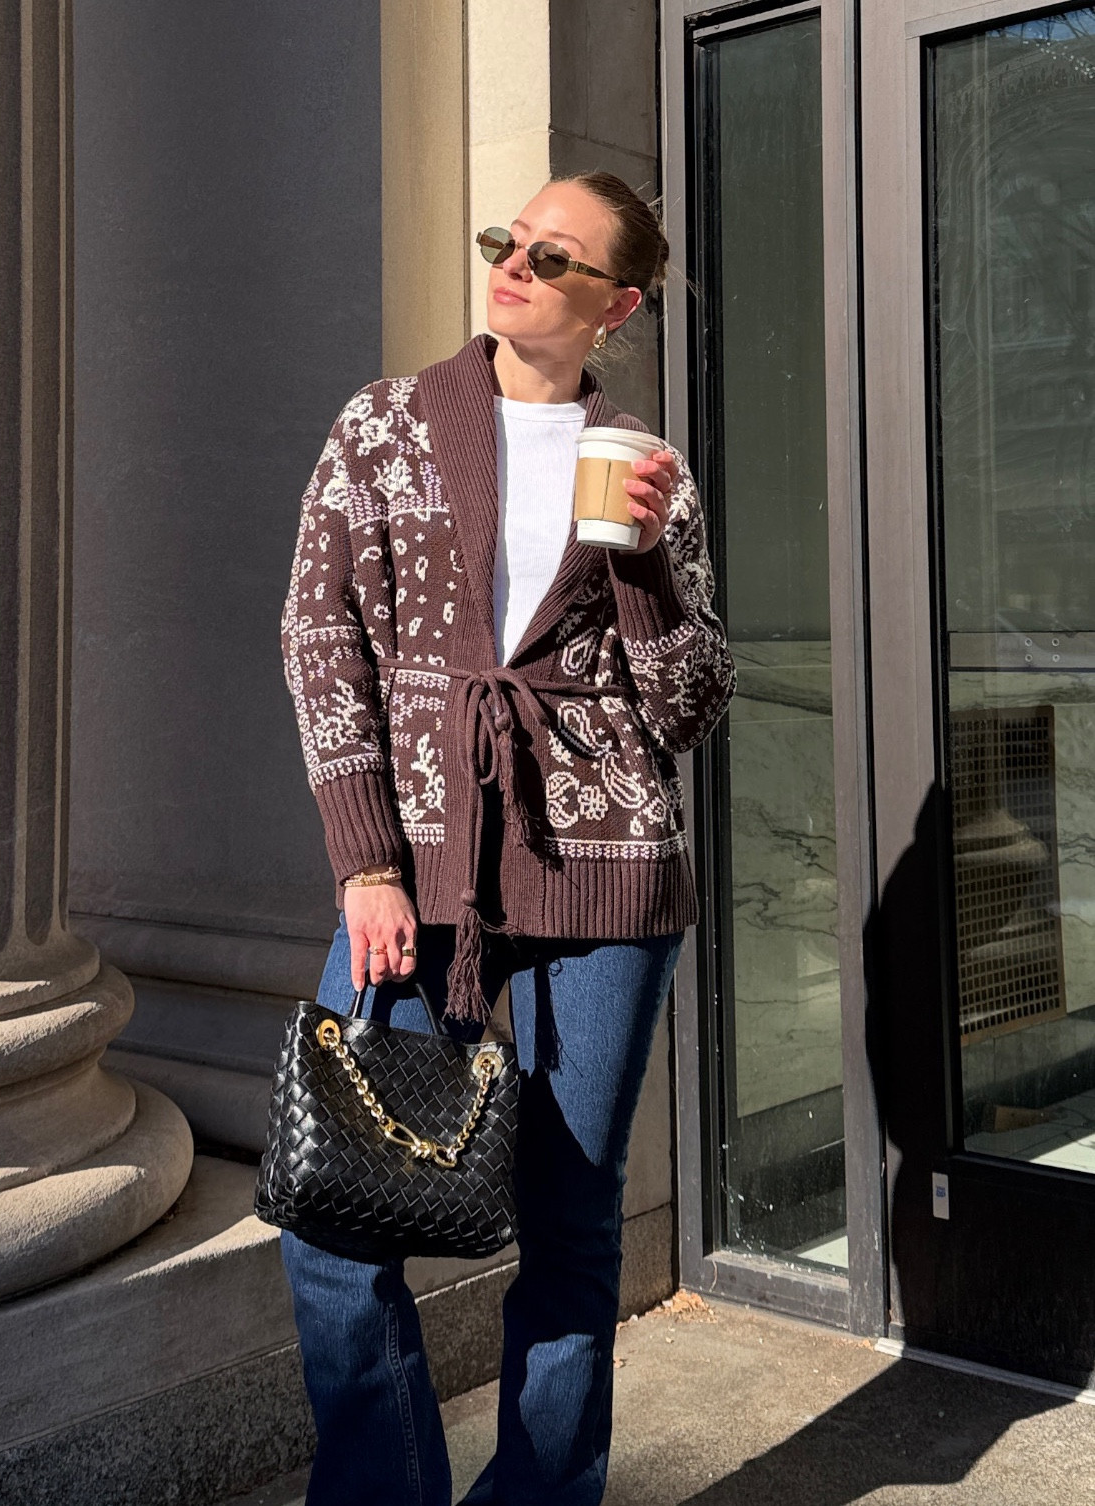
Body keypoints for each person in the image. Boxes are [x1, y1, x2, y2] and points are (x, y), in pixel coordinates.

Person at [278, 171, 735, 1506]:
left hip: (605, 888)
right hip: (415, 878)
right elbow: (322, 643)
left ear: (616, 304)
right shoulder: (384, 426)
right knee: (331, 1223)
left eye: (553, 255)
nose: (515, 266)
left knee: (573, 1239)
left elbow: (692, 702)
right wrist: (367, 858)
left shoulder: (646, 466)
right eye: (506, 241)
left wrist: (646, 566)